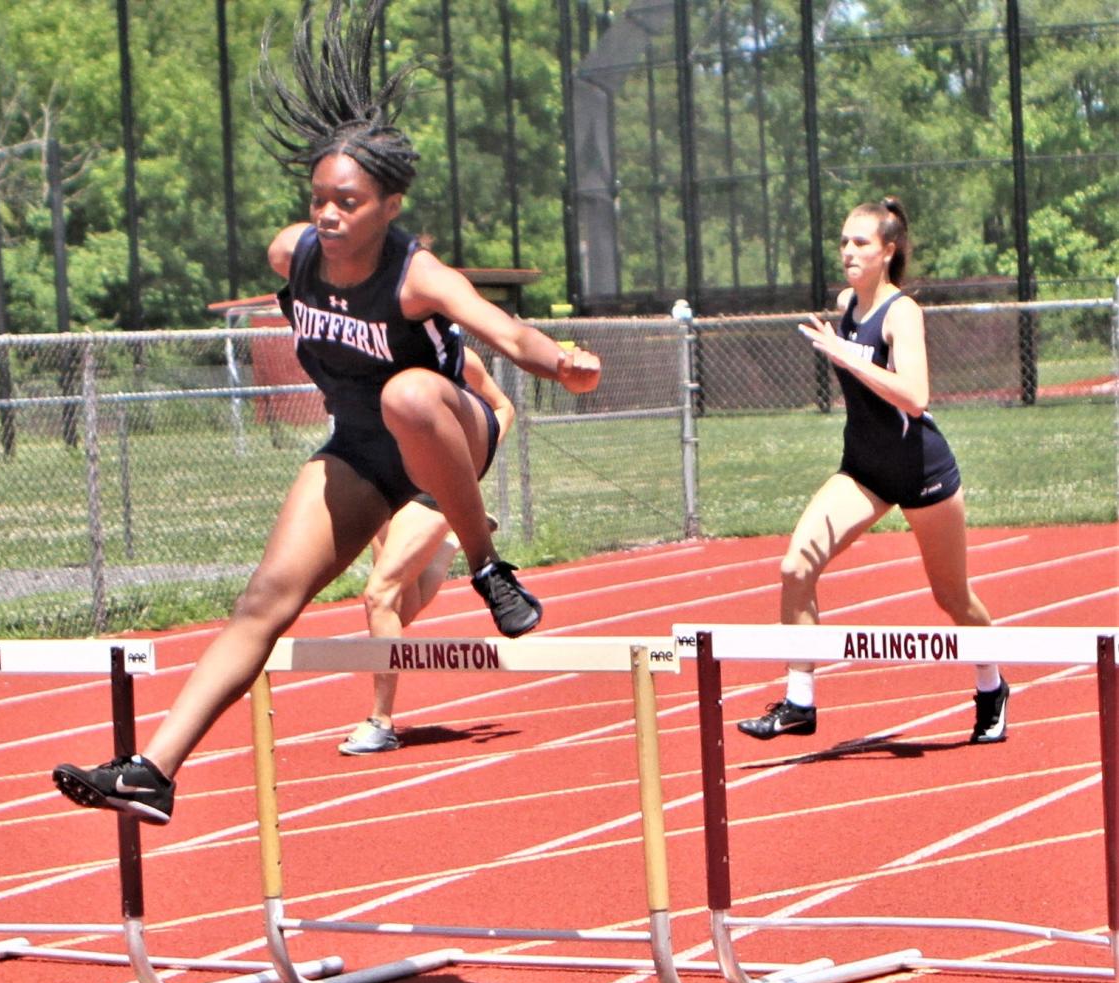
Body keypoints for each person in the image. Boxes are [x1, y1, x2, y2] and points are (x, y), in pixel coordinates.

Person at [51, 0, 600, 825]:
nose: (329, 216)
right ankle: (153, 770)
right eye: (319, 200)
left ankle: (488, 563)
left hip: (452, 433)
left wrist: (562, 364)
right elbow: (300, 249)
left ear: (389, 206)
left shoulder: (420, 277)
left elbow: (504, 330)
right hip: (363, 453)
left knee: (407, 392)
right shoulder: (294, 256)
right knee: (265, 597)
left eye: (347, 202)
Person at [737, 197, 1007, 745]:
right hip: (864, 468)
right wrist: (843, 345)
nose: (848, 252)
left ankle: (992, 685)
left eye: (860, 243)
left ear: (890, 251)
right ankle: (799, 702)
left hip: (923, 473)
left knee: (952, 597)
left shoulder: (901, 312)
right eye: (843, 242)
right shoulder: (847, 305)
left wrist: (847, 355)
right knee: (795, 567)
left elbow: (915, 395)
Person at [341, 344, 514, 755]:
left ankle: (381, 721)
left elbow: (502, 406)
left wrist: (469, 466)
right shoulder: (371, 350)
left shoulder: (460, 359)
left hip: (434, 487)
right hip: (385, 483)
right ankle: (450, 546)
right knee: (402, 607)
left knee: (378, 594)